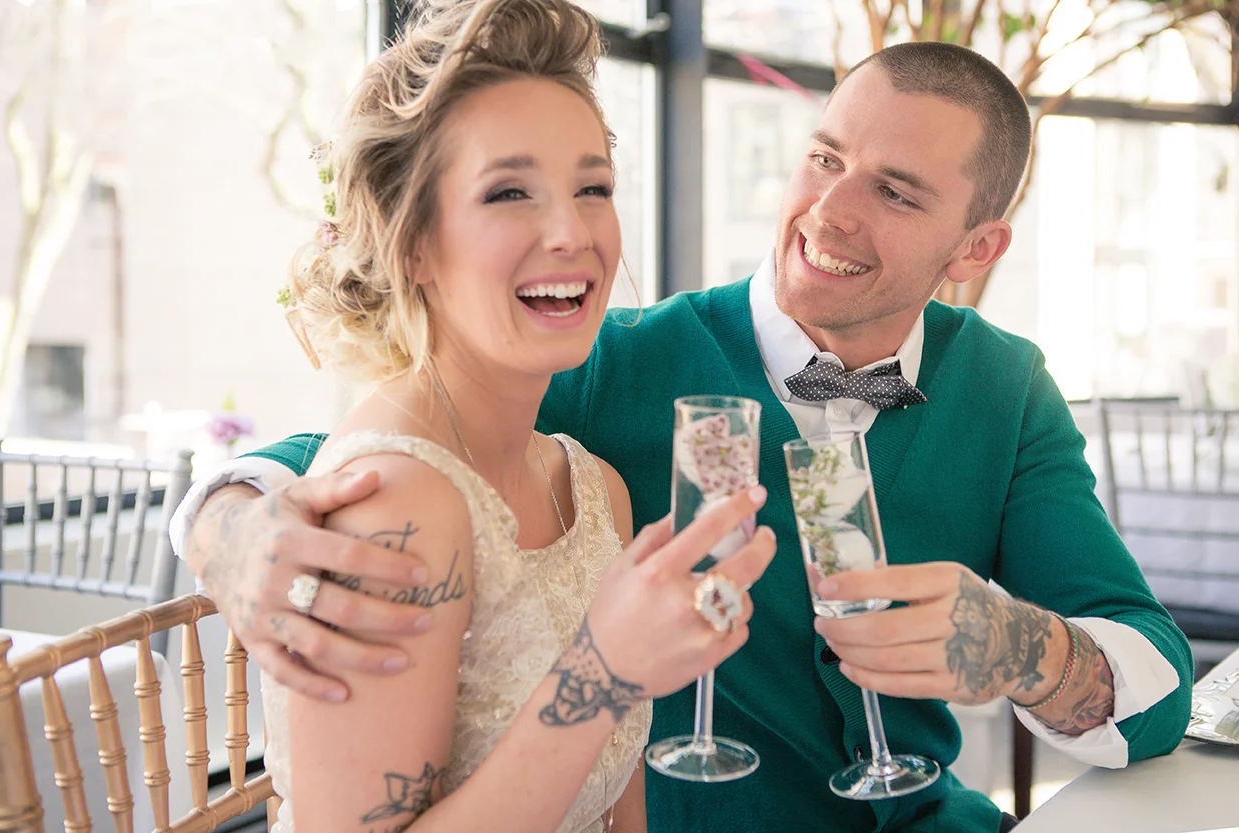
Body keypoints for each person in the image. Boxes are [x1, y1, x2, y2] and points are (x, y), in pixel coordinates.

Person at [174, 37, 1192, 833]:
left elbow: (1152, 680)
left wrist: (1021, 646)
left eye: (891, 190)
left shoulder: (1006, 386)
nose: (824, 213)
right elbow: (354, 459)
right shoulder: (600, 359)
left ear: (974, 245)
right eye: (824, 158)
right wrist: (231, 530)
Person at [217, 1, 778, 831]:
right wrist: (604, 672)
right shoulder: (389, 508)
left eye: (594, 187)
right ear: (413, 243)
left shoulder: (594, 490)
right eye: (509, 191)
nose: (570, 231)